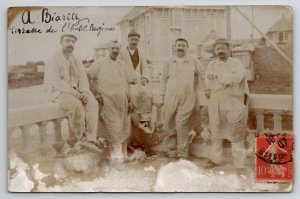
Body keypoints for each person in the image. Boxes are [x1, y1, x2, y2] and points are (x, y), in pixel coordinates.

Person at [44, 33, 101, 151]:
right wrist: (77, 95)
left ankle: (91, 138)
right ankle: (82, 138)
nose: (70, 44)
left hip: (76, 90)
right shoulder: (53, 58)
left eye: (73, 42)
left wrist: (84, 91)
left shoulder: (75, 58)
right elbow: (56, 82)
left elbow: (82, 76)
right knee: (76, 105)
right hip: (58, 91)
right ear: (61, 42)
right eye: (67, 41)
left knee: (93, 103)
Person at [205, 38, 250, 168]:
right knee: (216, 133)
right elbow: (209, 82)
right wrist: (224, 81)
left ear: (228, 49)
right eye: (218, 49)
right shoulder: (211, 65)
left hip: (234, 104)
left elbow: (239, 77)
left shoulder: (236, 63)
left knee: (236, 135)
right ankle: (215, 159)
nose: (221, 51)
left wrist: (220, 79)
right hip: (217, 104)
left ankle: (239, 164)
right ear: (215, 51)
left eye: (223, 48)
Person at [88, 40, 133, 164]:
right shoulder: (100, 63)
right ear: (108, 49)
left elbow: (127, 84)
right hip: (108, 103)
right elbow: (88, 77)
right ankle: (116, 159)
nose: (115, 50)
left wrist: (130, 101)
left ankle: (124, 156)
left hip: (123, 103)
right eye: (112, 48)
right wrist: (96, 94)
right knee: (114, 128)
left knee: (124, 128)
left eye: (117, 48)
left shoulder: (121, 64)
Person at [160, 38, 205, 159]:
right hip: (170, 96)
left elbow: (203, 74)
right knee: (169, 124)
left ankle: (182, 153)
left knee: (181, 125)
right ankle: (171, 150)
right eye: (178, 45)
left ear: (187, 47)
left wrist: (206, 88)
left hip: (187, 96)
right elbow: (163, 79)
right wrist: (162, 95)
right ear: (174, 47)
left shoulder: (193, 60)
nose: (180, 47)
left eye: (183, 45)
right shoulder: (169, 62)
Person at [119, 31, 153, 152]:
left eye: (136, 39)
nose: (134, 41)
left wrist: (145, 77)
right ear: (128, 40)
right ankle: (128, 140)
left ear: (139, 41)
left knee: (146, 99)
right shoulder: (121, 52)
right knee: (130, 106)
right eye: (132, 39)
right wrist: (126, 79)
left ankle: (143, 134)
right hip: (125, 83)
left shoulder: (141, 53)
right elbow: (118, 67)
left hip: (138, 83)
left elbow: (145, 67)